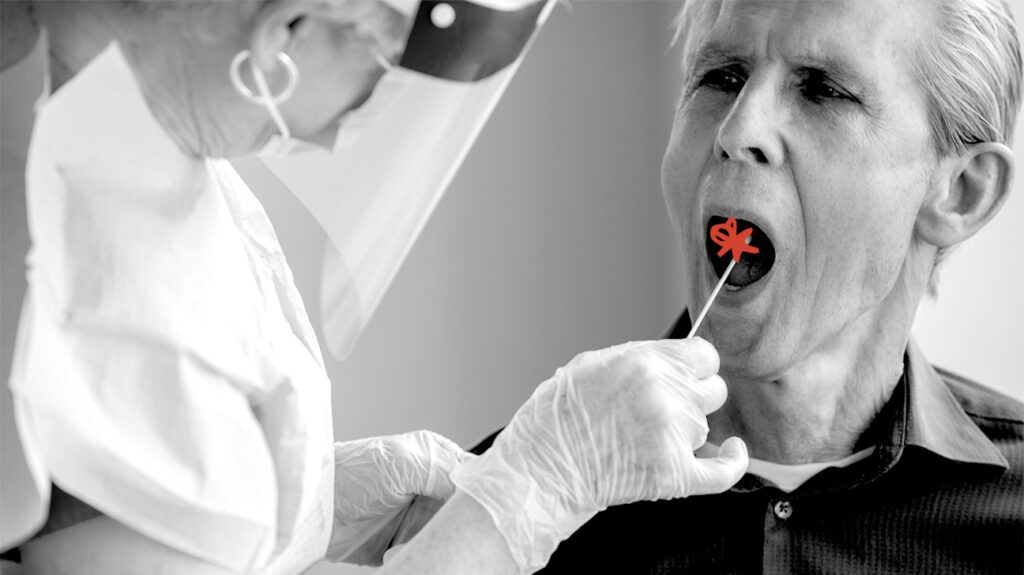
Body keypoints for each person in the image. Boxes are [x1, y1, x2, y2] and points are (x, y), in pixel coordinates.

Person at [0, 1, 749, 574]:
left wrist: (296, 511)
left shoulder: (135, 136)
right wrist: (528, 495)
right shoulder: (72, 240)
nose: (338, 132)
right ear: (286, 28)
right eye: (378, 70)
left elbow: (125, 497)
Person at [450, 0, 1024, 572]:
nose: (738, 129)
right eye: (723, 77)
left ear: (961, 192)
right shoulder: (504, 511)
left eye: (822, 89)